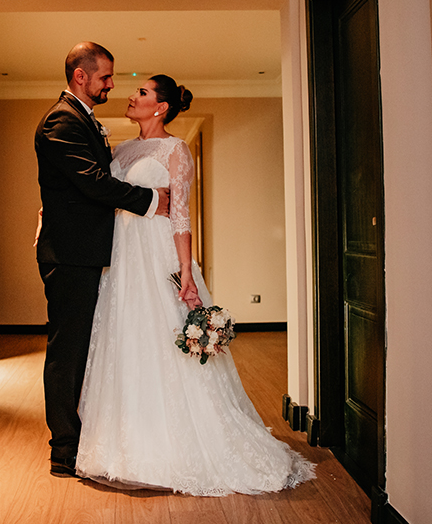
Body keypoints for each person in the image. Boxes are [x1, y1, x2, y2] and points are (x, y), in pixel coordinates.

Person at [75, 75, 315, 495]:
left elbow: (181, 214)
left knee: (164, 337)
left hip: (157, 252)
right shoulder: (121, 150)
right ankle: (126, 446)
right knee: (126, 338)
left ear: (161, 106)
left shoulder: (176, 150)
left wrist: (185, 270)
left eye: (142, 92)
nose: (131, 96)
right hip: (123, 254)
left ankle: (182, 445)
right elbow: (102, 196)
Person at [34, 42, 169, 478]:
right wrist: (151, 200)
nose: (112, 84)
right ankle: (64, 450)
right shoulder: (61, 120)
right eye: (105, 77)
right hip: (70, 255)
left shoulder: (83, 119)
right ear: (81, 76)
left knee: (83, 348)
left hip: (86, 253)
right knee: (68, 352)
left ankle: (82, 438)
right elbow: (92, 182)